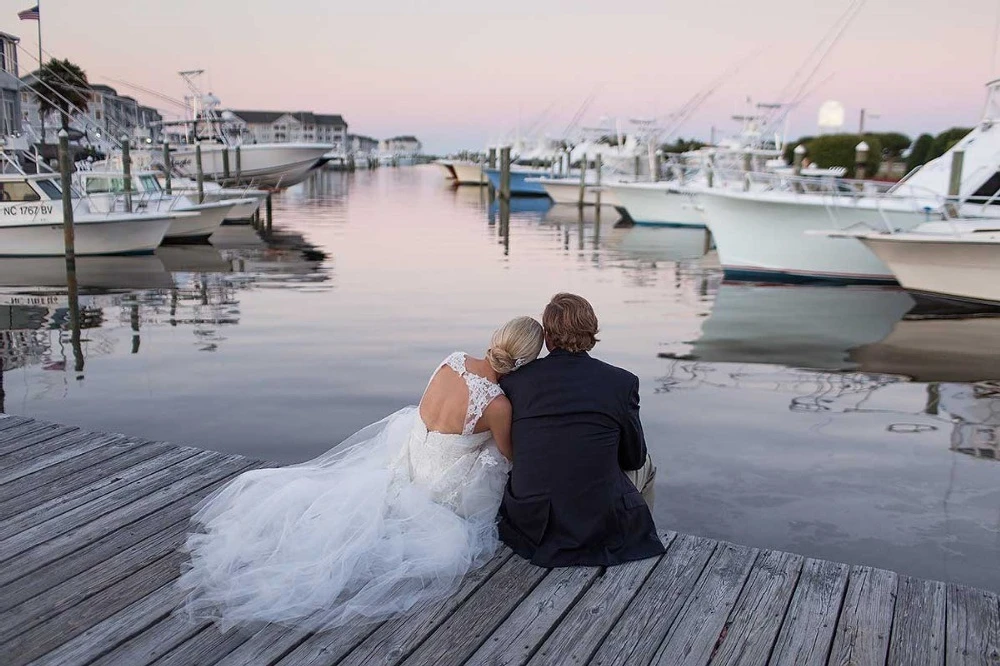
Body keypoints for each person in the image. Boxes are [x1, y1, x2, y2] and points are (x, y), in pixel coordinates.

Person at [179, 316, 545, 632]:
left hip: (406, 457)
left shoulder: (453, 360)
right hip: (439, 485)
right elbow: (512, 455)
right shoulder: (498, 404)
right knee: (495, 454)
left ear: (496, 337)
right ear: (526, 363)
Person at [498, 293, 665, 567]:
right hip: (597, 524)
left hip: (531, 523)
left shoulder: (515, 383)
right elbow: (633, 459)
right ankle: (638, 537)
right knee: (646, 464)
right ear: (591, 332)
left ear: (548, 338)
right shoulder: (621, 383)